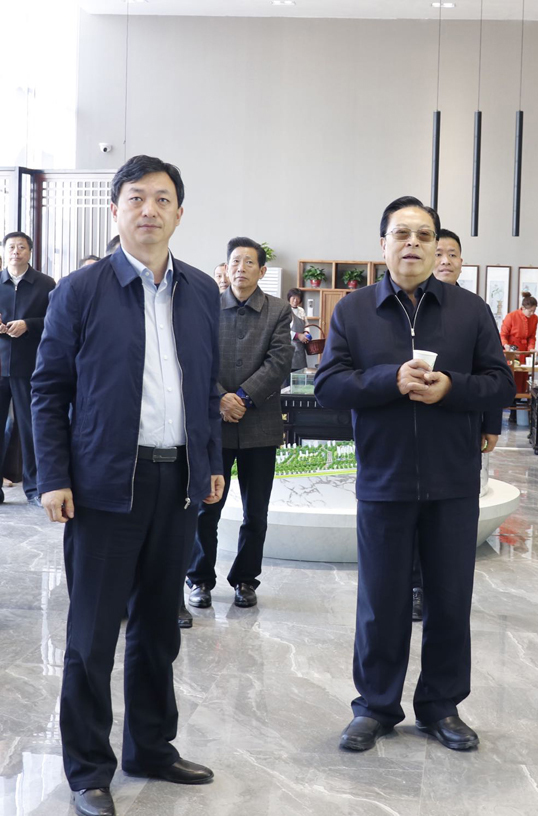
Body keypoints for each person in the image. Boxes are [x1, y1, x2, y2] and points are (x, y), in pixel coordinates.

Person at [31, 155, 224, 816]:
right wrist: (54, 475)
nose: (149, 210)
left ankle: (151, 748)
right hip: (104, 484)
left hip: (177, 482)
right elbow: (49, 389)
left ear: (179, 213)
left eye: (162, 199)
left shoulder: (200, 291)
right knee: (92, 637)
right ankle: (88, 769)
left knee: (159, 628)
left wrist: (210, 460)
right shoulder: (79, 292)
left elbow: (205, 388)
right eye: (136, 197)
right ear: (115, 210)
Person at [314, 196, 515, 754]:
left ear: (436, 246)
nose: (413, 244)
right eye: (401, 234)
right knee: (381, 601)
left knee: (449, 599)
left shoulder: (470, 310)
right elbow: (329, 385)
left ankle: (441, 706)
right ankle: (375, 707)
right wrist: (389, 380)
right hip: (385, 479)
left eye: (424, 235)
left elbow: (501, 383)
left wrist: (451, 387)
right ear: (382, 245)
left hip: (453, 481)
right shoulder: (354, 310)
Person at [185, 237, 293, 612]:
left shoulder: (278, 310)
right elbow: (196, 359)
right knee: (206, 506)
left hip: (259, 424)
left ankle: (246, 579)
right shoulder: (206, 306)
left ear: (262, 271)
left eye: (249, 262)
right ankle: (199, 578)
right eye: (235, 261)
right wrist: (220, 398)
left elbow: (279, 362)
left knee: (255, 512)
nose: (241, 268)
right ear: (226, 268)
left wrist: (243, 398)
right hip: (215, 425)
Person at [408, 228, 503, 621]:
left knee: (451, 520)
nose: (445, 260)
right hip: (409, 434)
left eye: (453, 254)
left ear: (462, 262)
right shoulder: (410, 309)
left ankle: (443, 591)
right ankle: (416, 587)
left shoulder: (474, 309)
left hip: (459, 429)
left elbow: (492, 371)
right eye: (440, 253)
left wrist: (491, 424)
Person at [0, 231, 55, 506]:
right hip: (0, 365)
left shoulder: (45, 284)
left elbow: (55, 320)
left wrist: (28, 325)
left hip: (30, 367)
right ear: (4, 251)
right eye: (11, 246)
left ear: (30, 252)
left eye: (21, 247)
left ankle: (34, 489)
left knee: (32, 429)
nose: (16, 251)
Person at [500, 291, 537, 416]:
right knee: (512, 378)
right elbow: (503, 335)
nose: (532, 313)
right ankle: (512, 411)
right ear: (523, 308)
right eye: (530, 311)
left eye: (534, 311)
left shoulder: (534, 318)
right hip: (512, 351)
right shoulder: (511, 316)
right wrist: (506, 346)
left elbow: (532, 337)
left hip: (525, 351)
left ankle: (518, 414)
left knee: (522, 380)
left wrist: (531, 348)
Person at [287, 288, 311, 373]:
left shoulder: (301, 310)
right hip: (289, 346)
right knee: (289, 373)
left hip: (300, 347)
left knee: (301, 373)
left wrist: (306, 333)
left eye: (298, 298)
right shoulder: (285, 310)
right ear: (289, 298)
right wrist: (298, 335)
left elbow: (306, 324)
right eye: (293, 298)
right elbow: (284, 330)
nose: (295, 300)